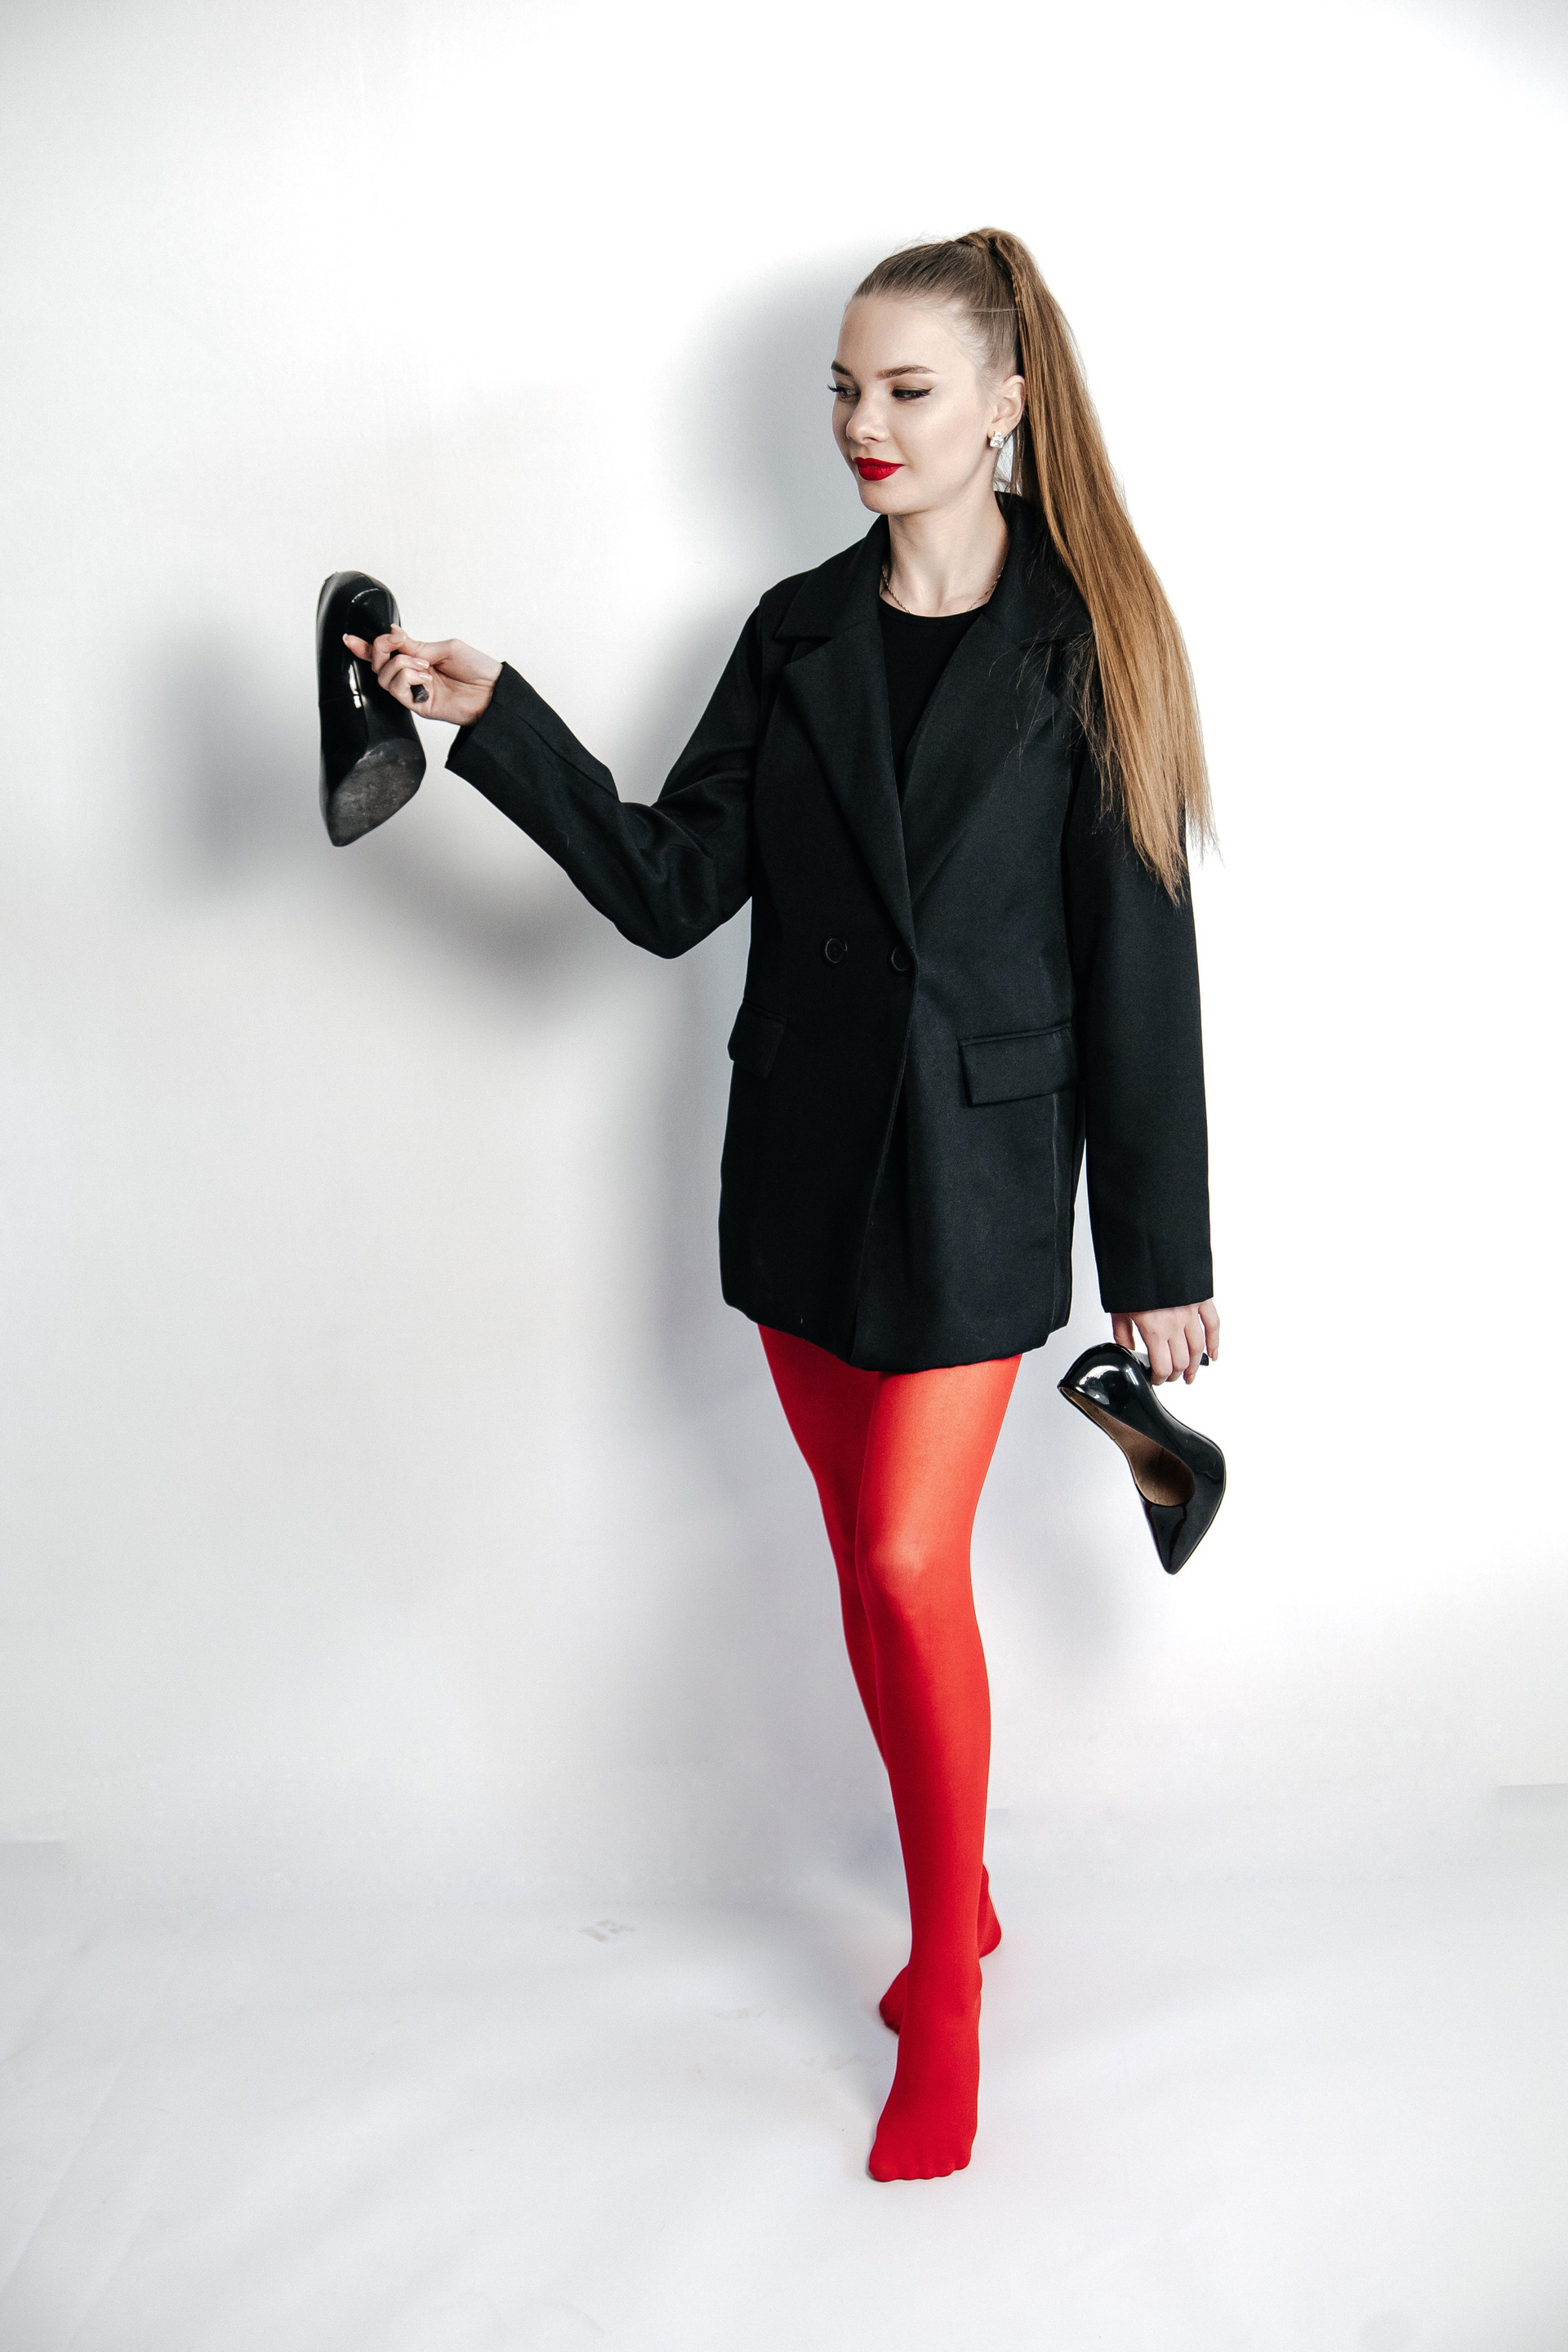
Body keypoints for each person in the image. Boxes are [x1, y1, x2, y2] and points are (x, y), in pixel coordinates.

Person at [345, 227, 1221, 2183]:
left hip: (985, 1179)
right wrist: (497, 719)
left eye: (907, 389)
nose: (864, 425)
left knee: (909, 1562)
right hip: (804, 1177)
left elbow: (1141, 960)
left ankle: (948, 1989)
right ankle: (961, 1899)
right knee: (865, 1573)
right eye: (844, 388)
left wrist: (1161, 1258)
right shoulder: (796, 630)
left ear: (1006, 404)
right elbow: (671, 887)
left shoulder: (1092, 640)